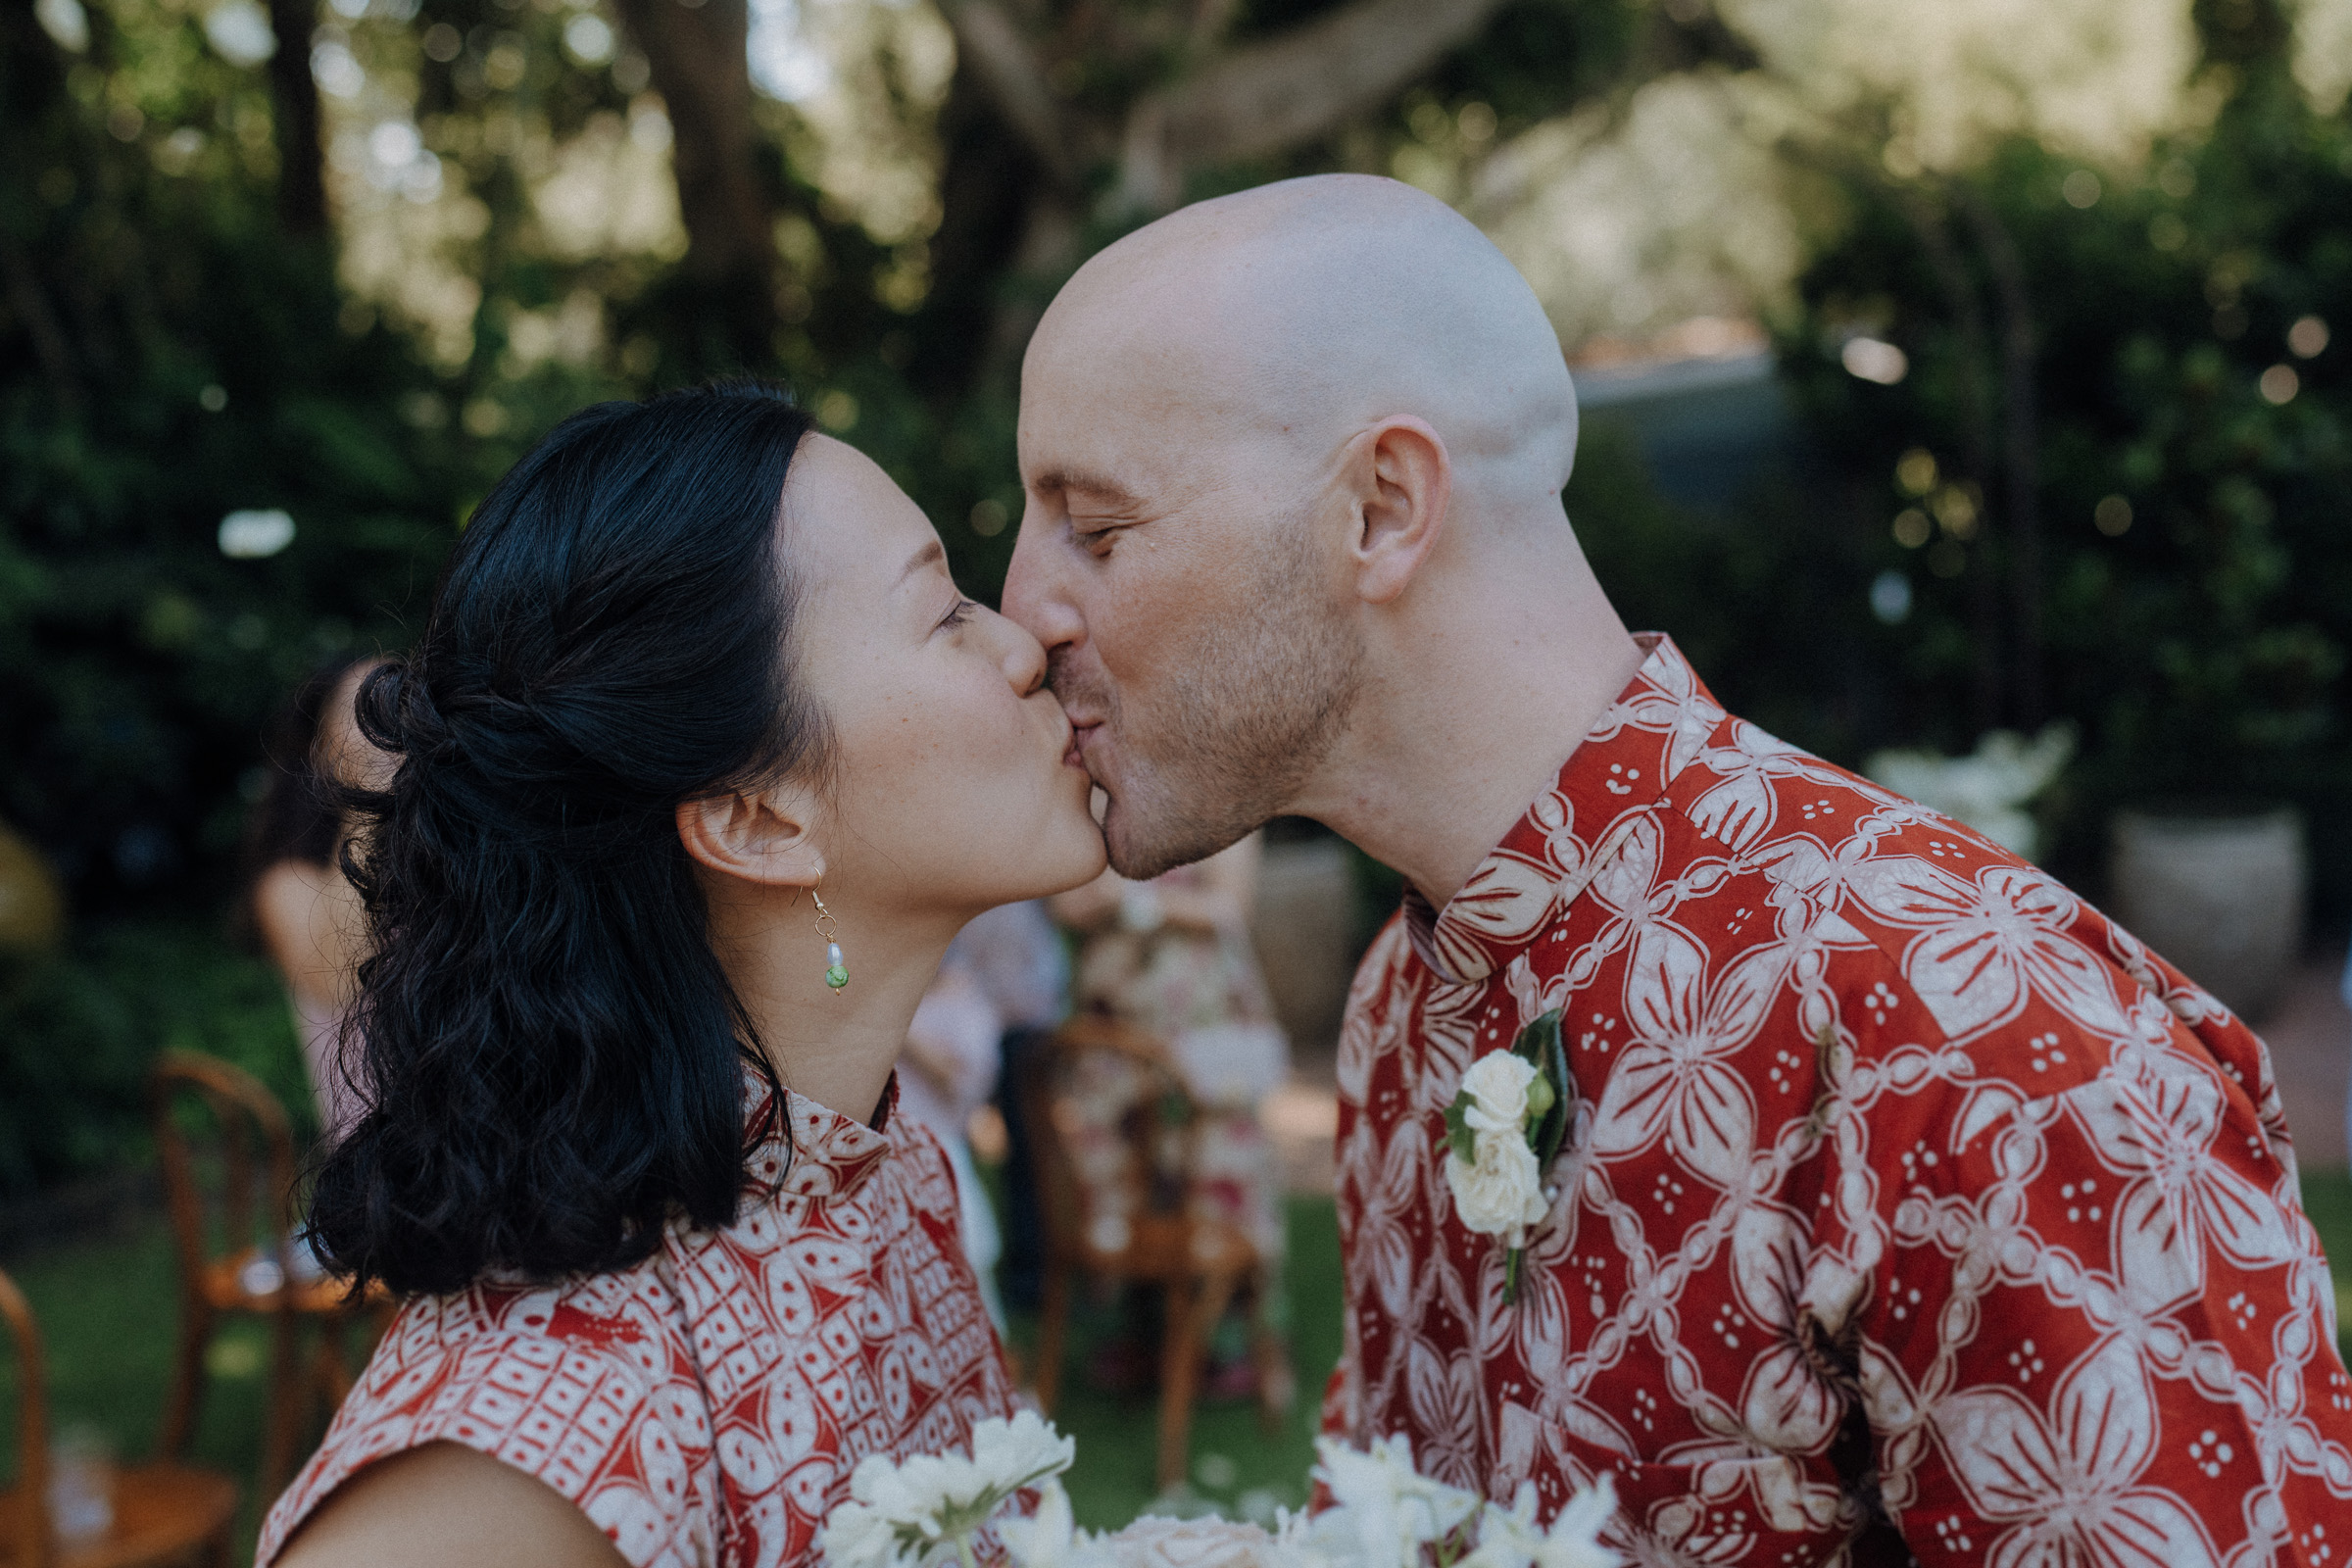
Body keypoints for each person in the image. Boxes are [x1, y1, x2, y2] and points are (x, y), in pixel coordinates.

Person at [1001, 174, 2352, 1557]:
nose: (1022, 612)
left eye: (1096, 531)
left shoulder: (1981, 1038)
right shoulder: (1397, 1010)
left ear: (1381, 509)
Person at [265, 382, 1106, 1568]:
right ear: (760, 819)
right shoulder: (532, 1451)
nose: (1027, 642)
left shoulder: (879, 1177)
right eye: (945, 612)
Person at [1051, 836, 1290, 1393]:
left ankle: (1226, 1341)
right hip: (1113, 1023)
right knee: (1122, 1176)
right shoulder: (1093, 791)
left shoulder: (1221, 790)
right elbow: (1065, 905)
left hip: (1202, 1023)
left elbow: (1229, 907)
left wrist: (1132, 902)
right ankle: (1139, 1335)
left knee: (1212, 1173)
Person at [245, 656, 387, 1142]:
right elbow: (338, 985)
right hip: (377, 1157)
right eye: (368, 711)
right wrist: (369, 805)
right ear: (323, 752)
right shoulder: (285, 882)